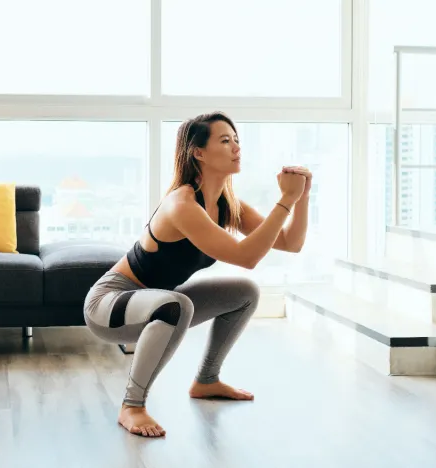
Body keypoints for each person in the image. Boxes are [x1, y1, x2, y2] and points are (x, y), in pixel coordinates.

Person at [83, 112, 311, 438]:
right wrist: (286, 198)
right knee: (177, 305)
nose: (236, 147)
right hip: (109, 303)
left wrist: (301, 198)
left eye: (237, 140)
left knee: (244, 292)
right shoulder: (182, 203)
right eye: (225, 140)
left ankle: (207, 381)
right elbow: (247, 256)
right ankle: (132, 406)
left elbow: (290, 243)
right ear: (198, 152)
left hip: (161, 303)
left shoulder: (228, 204)